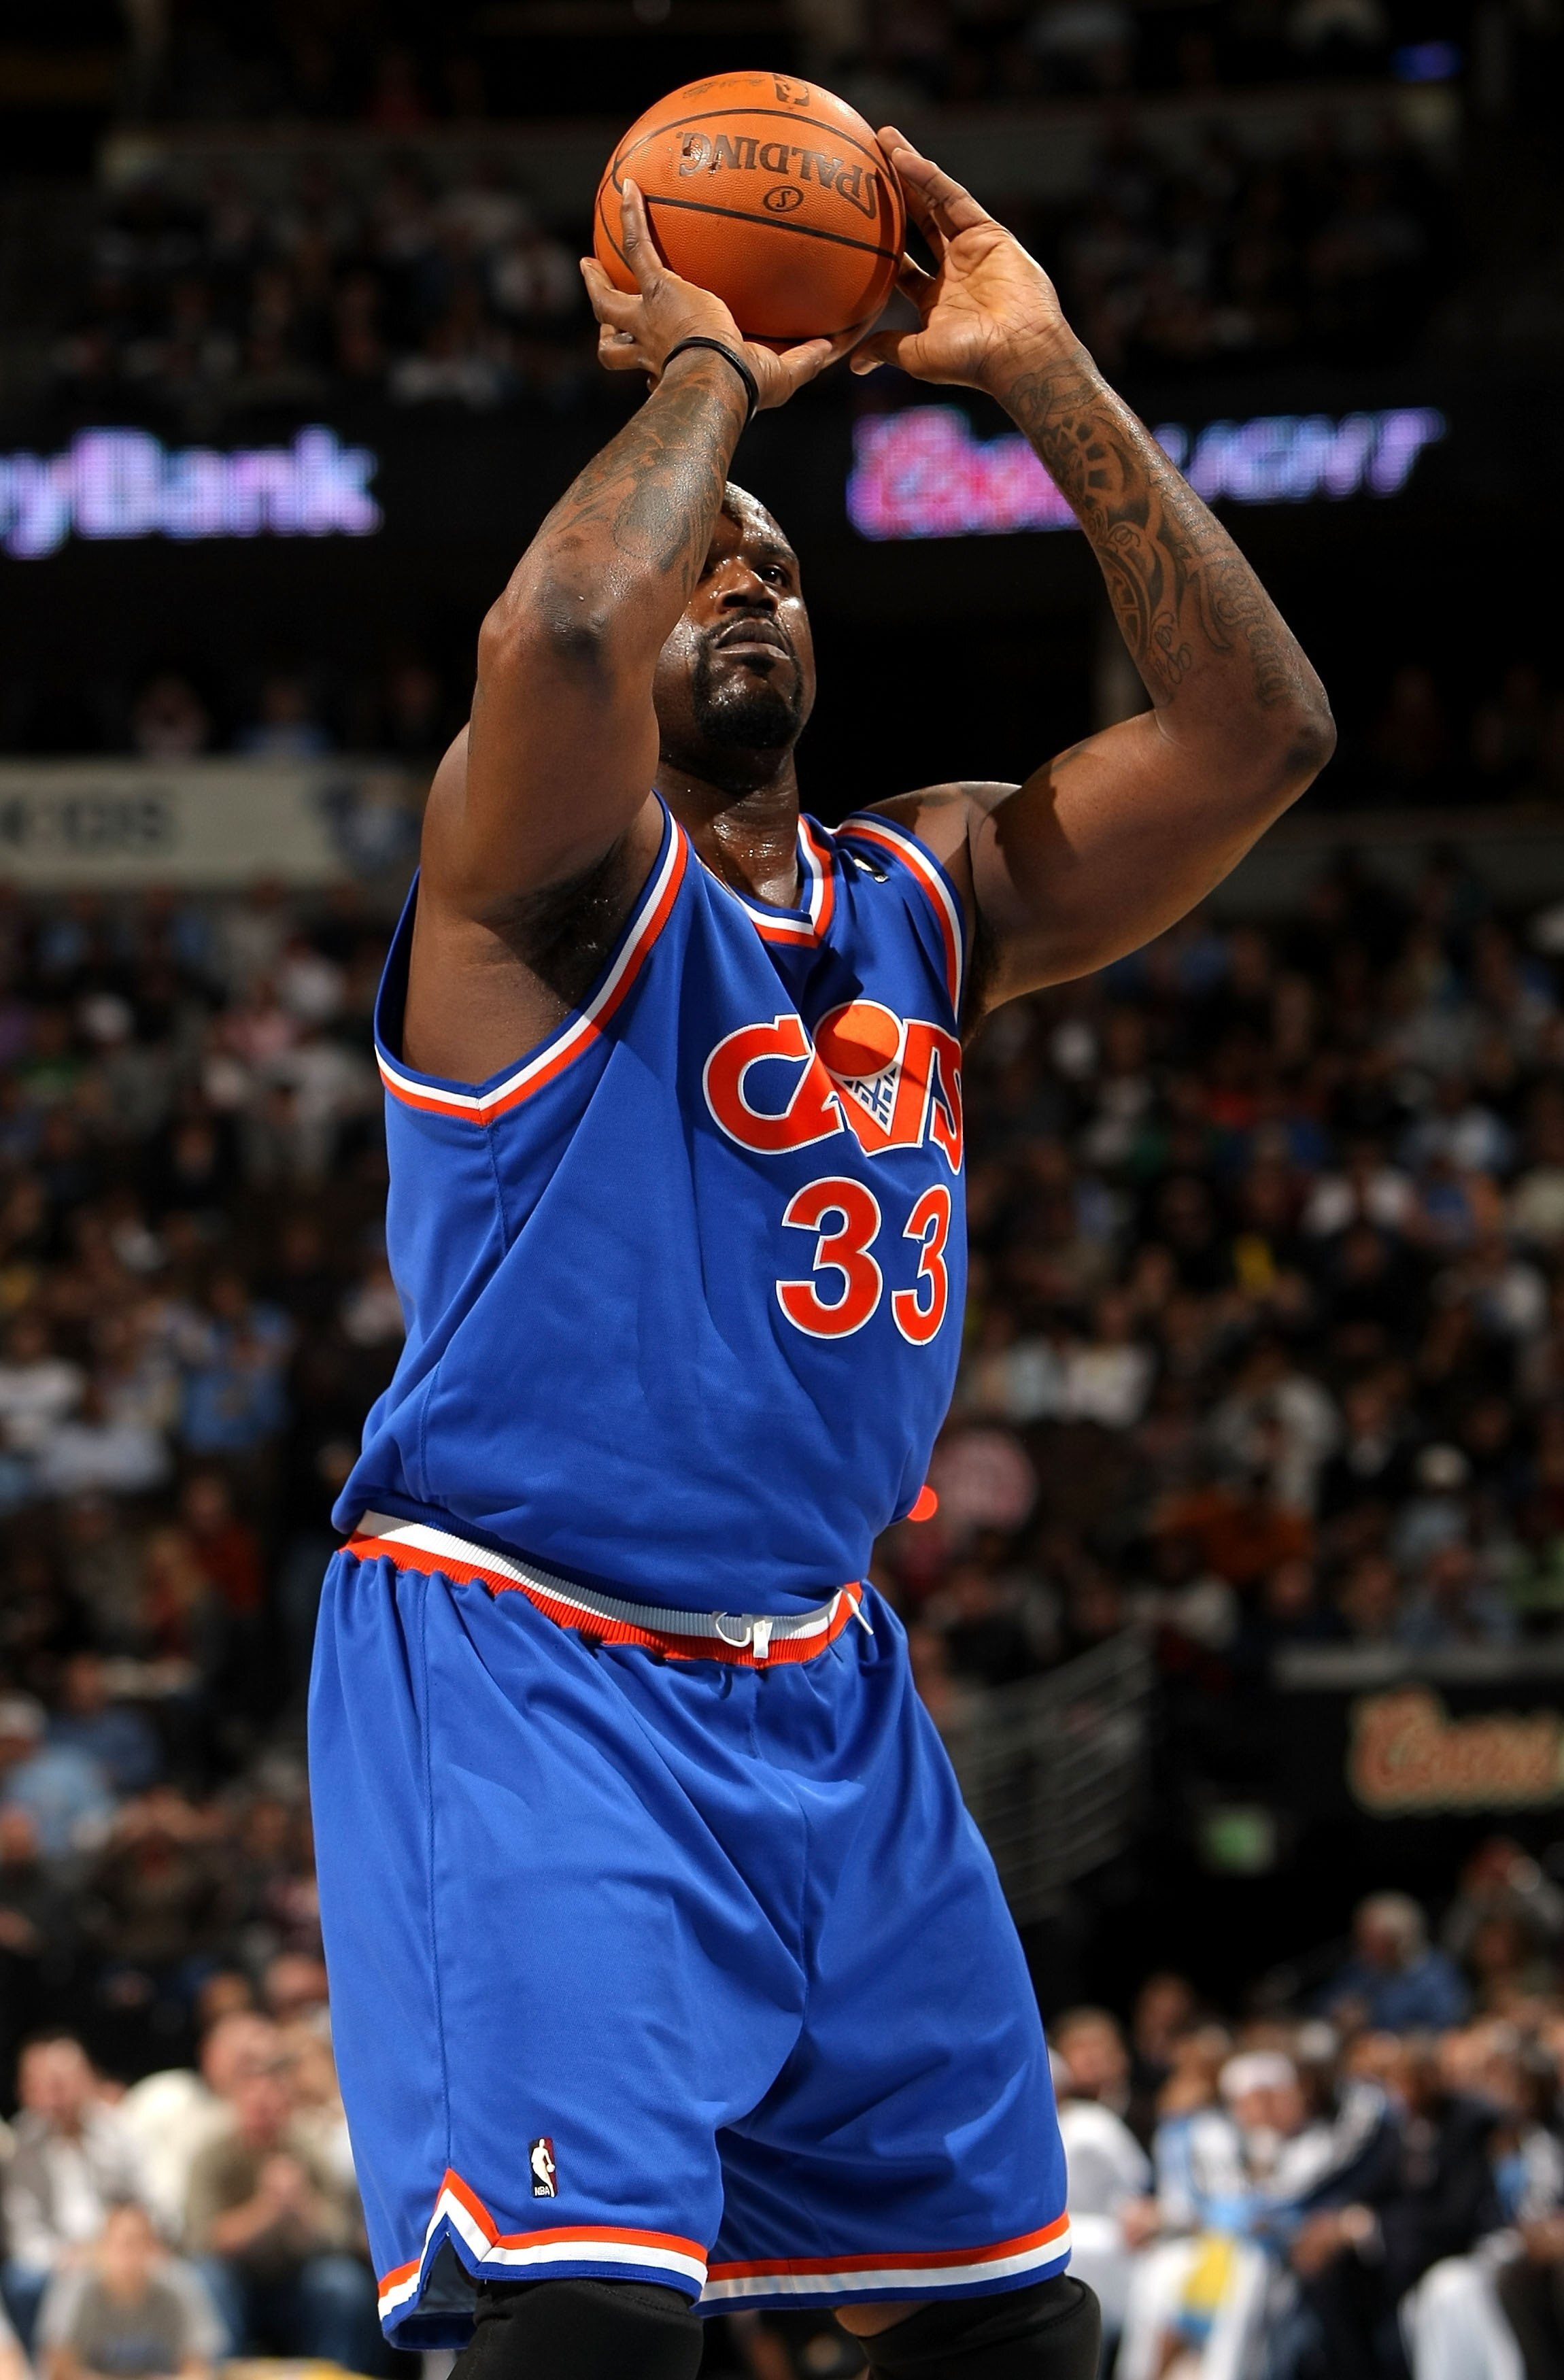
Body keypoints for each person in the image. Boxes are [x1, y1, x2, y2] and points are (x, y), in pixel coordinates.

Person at [308, 134, 1333, 2380]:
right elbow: (556, 632)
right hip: (530, 1654)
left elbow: (1265, 736)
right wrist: (712, 369)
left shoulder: (926, 893)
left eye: (773, 566)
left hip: (825, 1677)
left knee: (1009, 2338)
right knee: (588, 2336)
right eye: (703, 569)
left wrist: (1043, 370)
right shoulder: (534, 896)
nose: (740, 584)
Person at [183, 2059, 378, 2369]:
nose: (263, 2114)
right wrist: (266, 2209)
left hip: (299, 2283)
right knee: (207, 2279)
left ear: (287, 2107)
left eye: (272, 2106)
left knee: (343, 2284)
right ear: (236, 2105)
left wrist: (302, 2206)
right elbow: (202, 2240)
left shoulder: (308, 2152)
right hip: (235, 2282)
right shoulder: (212, 2157)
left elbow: (341, 2236)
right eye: (255, 2106)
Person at [1, 2035, 147, 2350]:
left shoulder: (120, 2130)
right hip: (58, 2261)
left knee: (195, 2274)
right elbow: (23, 2235)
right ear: (24, 2090)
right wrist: (64, 2258)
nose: (54, 2097)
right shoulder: (21, 2144)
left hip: (124, 2249)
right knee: (22, 2281)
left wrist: (122, 2248)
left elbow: (150, 2201)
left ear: (89, 2079)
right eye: (42, 2086)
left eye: (62, 2084)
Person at [37, 2200, 221, 2380]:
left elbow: (199, 2369)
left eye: (143, 2242)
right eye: (124, 2244)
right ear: (101, 2248)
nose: (132, 2255)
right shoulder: (76, 2286)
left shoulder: (179, 2284)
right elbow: (58, 2371)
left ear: (155, 2247)